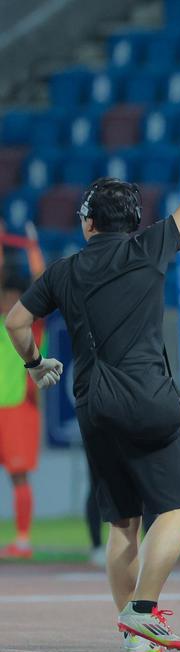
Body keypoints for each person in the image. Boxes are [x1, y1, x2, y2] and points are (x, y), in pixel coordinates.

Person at [3, 113, 180, 652]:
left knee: (122, 520)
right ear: (132, 221)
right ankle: (143, 611)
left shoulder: (64, 270)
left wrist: (34, 365)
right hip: (148, 399)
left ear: (89, 223)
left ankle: (134, 639)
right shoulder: (151, 248)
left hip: (92, 405)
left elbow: (16, 324)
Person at [0, 223, 45, 559]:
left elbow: (42, 281)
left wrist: (30, 247)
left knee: (19, 475)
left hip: (18, 409)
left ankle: (24, 540)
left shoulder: (31, 325)